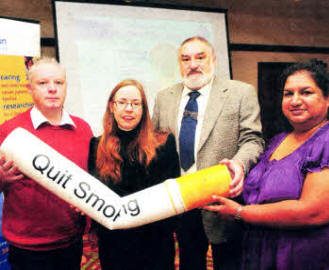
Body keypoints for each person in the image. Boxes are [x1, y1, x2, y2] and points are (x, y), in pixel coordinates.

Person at [204, 59, 329, 270]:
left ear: (327, 99)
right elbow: (261, 191)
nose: (295, 100)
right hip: (260, 252)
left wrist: (240, 212)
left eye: (306, 92)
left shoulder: (325, 141)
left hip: (301, 257)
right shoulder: (278, 140)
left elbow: (313, 212)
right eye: (288, 93)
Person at [152, 36, 264, 270]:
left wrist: (239, 164)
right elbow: (155, 145)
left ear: (213, 60)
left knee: (229, 263)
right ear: (179, 63)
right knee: (189, 262)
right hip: (181, 202)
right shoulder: (164, 98)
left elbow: (253, 140)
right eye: (186, 59)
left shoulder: (240, 93)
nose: (193, 64)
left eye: (200, 57)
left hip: (223, 201)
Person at [0, 57, 93, 270]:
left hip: (71, 241)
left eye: (58, 83)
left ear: (65, 87)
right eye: (43, 83)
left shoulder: (84, 129)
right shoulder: (9, 131)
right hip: (27, 247)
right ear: (29, 89)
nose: (52, 89)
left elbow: (90, 180)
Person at [88, 79, 180, 270]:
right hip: (114, 245)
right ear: (112, 107)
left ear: (143, 109)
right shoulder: (96, 146)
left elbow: (172, 196)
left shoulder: (163, 144)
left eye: (136, 103)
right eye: (122, 102)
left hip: (155, 245)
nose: (129, 109)